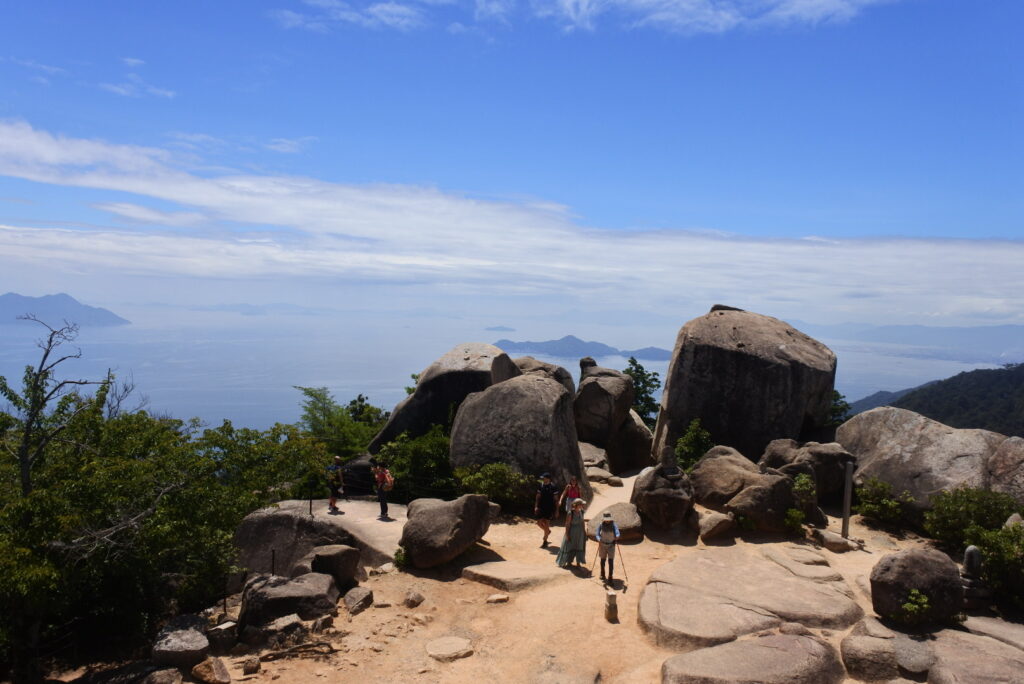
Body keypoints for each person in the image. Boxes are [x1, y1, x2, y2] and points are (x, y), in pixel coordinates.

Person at [556, 498, 588, 568]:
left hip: (580, 532)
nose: (583, 505)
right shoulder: (571, 513)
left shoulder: (582, 512)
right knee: (570, 546)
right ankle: (569, 562)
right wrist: (567, 534)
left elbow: (582, 522)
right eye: (581, 504)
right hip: (572, 532)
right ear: (577, 505)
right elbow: (567, 524)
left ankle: (578, 562)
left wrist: (584, 532)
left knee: (579, 546)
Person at [594, 511, 621, 584]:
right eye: (606, 519)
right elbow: (597, 534)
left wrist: (617, 536)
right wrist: (598, 539)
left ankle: (610, 577)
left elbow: (617, 532)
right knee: (602, 560)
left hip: (611, 545)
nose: (607, 520)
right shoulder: (601, 525)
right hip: (602, 545)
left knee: (610, 561)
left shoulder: (614, 525)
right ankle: (602, 573)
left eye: (608, 519)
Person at [534, 473, 558, 547]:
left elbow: (556, 499)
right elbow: (538, 497)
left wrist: (557, 510)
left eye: (544, 478)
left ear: (548, 479)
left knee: (547, 523)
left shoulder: (553, 487)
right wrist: (536, 506)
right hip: (541, 507)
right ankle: (547, 531)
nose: (543, 479)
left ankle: (545, 541)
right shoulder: (541, 485)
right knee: (538, 523)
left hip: (549, 508)